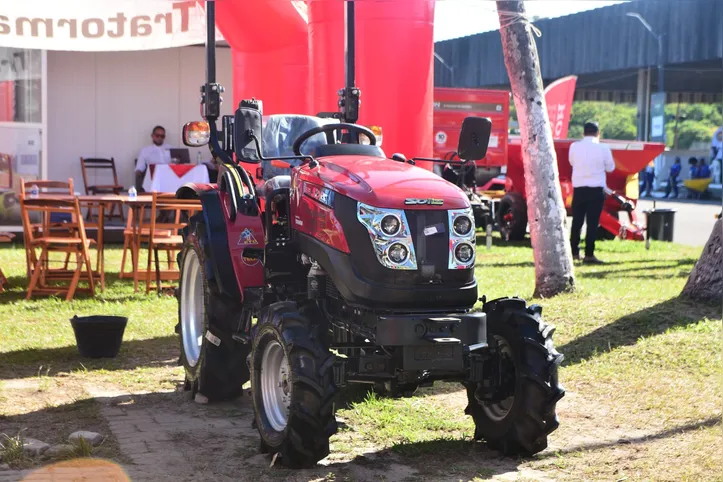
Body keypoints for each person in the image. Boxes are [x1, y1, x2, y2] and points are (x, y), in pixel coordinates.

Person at [568, 121, 615, 264]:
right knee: (592, 223)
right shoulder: (604, 147)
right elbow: (610, 168)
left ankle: (573, 252)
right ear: (598, 133)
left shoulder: (574, 146)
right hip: (596, 189)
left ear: (583, 133)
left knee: (577, 222)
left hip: (579, 189)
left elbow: (571, 162)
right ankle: (589, 254)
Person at [135, 126, 171, 191]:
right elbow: (139, 168)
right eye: (157, 135)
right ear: (152, 136)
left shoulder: (171, 149)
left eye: (162, 136)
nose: (160, 138)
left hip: (168, 176)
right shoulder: (145, 150)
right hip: (152, 178)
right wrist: (139, 173)